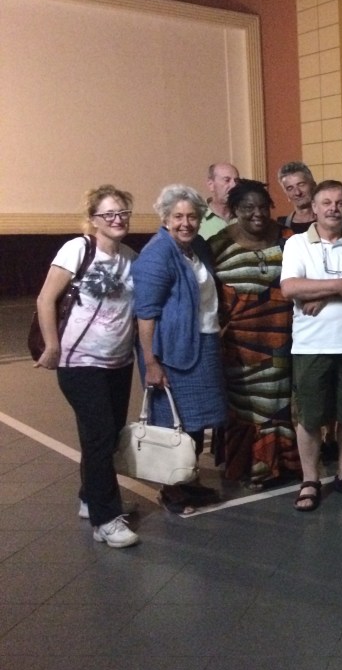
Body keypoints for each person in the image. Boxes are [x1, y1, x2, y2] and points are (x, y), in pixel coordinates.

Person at [34, 185, 140, 548]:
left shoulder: (131, 257)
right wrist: (52, 345)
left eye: (122, 212)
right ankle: (105, 519)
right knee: (99, 435)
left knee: (106, 435)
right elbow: (46, 298)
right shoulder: (78, 249)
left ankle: (90, 497)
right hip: (79, 361)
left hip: (118, 362)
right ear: (93, 219)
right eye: (108, 214)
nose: (117, 219)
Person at [279, 180, 342, 511]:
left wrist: (321, 293)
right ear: (314, 208)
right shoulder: (296, 244)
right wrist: (341, 286)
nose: (333, 208)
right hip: (311, 347)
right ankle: (310, 479)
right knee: (309, 417)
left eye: (340, 203)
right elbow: (291, 288)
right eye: (326, 202)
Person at [208, 179, 300, 488]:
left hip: (280, 340)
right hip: (237, 345)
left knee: (276, 403)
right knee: (242, 406)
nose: (257, 213)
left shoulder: (289, 240)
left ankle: (278, 467)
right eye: (248, 207)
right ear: (235, 210)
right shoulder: (218, 244)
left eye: (263, 206)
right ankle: (245, 466)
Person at [134, 185, 227, 458]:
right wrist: (151, 363)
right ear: (165, 219)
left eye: (192, 216)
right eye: (178, 216)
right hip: (172, 355)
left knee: (196, 423)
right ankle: (173, 481)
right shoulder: (157, 254)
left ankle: (188, 475)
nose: (185, 223)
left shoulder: (198, 247)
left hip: (204, 345)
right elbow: (145, 314)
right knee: (174, 424)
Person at [199, 162, 239, 239]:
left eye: (236, 181)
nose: (234, 186)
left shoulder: (245, 216)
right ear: (211, 185)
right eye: (227, 180)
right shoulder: (197, 216)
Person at [276, 161, 316, 233]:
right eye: (290, 188)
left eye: (301, 184)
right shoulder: (280, 227)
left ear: (313, 185)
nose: (297, 192)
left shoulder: (330, 220)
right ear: (286, 194)